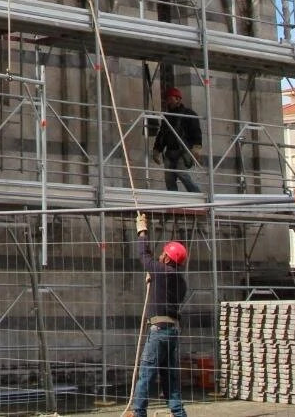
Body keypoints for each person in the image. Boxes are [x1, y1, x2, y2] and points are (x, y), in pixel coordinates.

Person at [125, 213, 189, 417]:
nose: (161, 255)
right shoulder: (180, 281)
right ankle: (179, 413)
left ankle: (139, 412)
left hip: (159, 331)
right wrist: (153, 281)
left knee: (146, 373)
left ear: (168, 258)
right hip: (172, 332)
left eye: (164, 254)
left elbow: (144, 256)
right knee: (170, 378)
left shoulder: (162, 271)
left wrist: (142, 231)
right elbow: (164, 295)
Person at [152, 86, 203, 193]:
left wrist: (197, 147)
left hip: (183, 151)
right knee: (169, 177)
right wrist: (157, 150)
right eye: (167, 99)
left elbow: (196, 132)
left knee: (182, 173)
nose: (168, 102)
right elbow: (162, 135)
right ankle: (173, 199)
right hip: (170, 151)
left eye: (171, 99)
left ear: (178, 99)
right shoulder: (167, 116)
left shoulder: (189, 114)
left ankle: (196, 195)